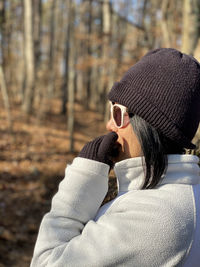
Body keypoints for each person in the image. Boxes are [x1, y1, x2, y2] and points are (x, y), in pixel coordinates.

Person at [30, 48, 200, 267]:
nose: (110, 125)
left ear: (149, 125)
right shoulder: (181, 194)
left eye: (118, 114)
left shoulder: (156, 217)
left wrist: (84, 175)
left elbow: (45, 263)